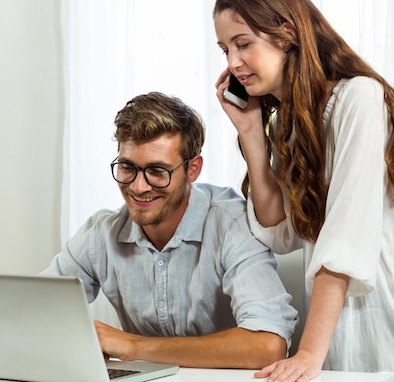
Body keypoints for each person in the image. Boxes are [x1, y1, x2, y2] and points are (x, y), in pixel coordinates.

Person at [213, 0, 394, 382]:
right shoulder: (291, 122)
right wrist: (250, 133)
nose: (232, 63)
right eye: (225, 50)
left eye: (243, 44)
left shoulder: (359, 98)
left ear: (287, 33)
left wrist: (309, 352)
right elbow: (280, 231)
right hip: (344, 343)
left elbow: (345, 235)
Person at [41, 91, 297, 369]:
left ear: (193, 169)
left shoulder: (231, 224)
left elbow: (268, 345)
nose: (139, 187)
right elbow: (33, 309)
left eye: (157, 171)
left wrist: (134, 346)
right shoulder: (102, 233)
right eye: (127, 167)